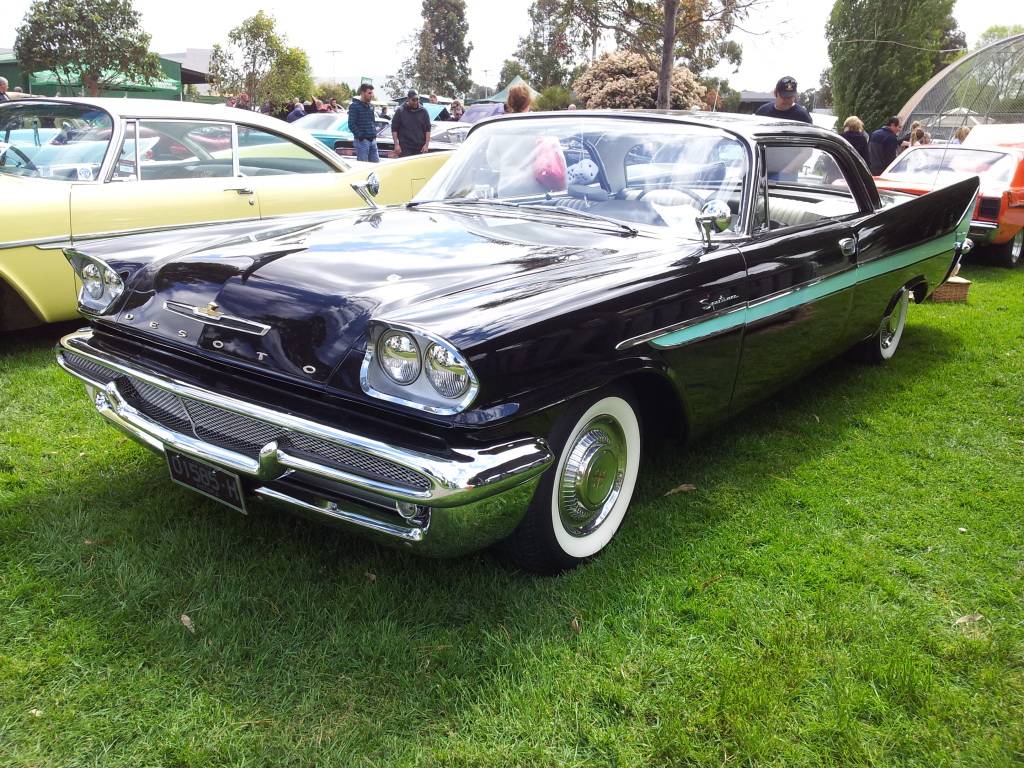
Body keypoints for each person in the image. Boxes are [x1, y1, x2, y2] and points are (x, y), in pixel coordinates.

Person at [391, 89, 431, 157]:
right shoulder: (400, 111)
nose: (415, 102)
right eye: (413, 100)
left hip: (420, 147)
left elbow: (428, 129)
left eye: (417, 99)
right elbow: (394, 129)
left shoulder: (423, 111)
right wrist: (396, 144)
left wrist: (426, 145)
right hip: (405, 147)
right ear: (408, 99)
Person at [348, 83, 380, 163]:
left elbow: (373, 122)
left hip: (372, 140)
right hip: (362, 142)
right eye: (369, 93)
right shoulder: (354, 106)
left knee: (376, 165)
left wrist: (374, 134)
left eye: (372, 93)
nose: (371, 95)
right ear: (362, 93)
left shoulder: (371, 106)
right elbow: (351, 124)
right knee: (363, 166)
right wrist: (361, 136)